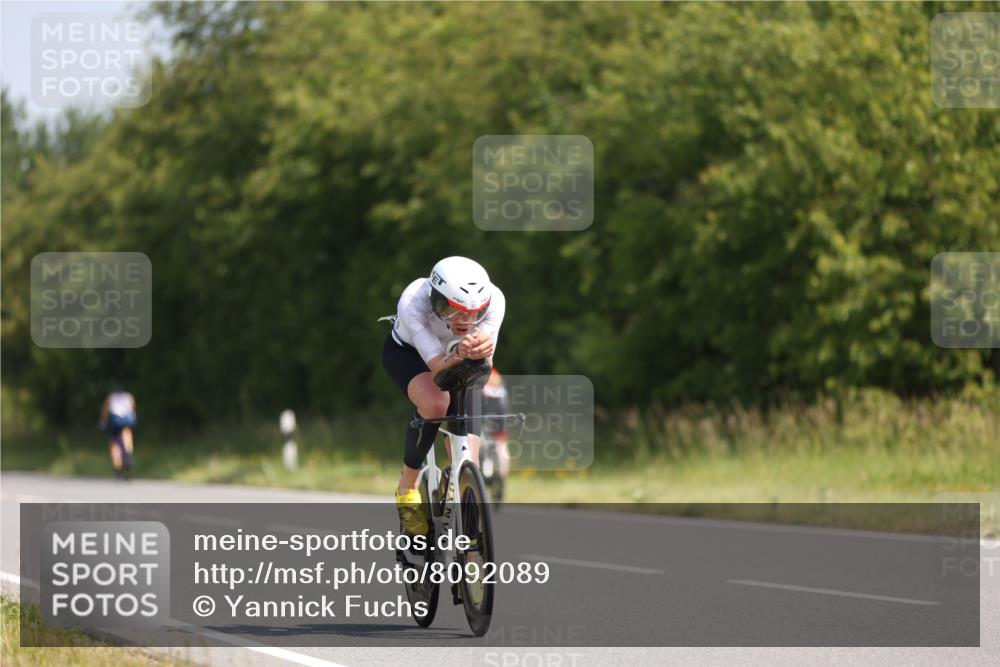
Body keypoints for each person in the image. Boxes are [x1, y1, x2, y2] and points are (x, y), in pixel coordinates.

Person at [381, 256, 505, 535]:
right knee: (437, 403)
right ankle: (408, 486)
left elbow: (481, 369)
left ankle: (463, 500)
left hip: (460, 356)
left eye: (475, 313)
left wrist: (479, 354)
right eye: (456, 311)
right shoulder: (414, 301)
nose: (467, 321)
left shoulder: (495, 300)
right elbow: (438, 368)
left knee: (469, 460)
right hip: (411, 354)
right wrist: (461, 351)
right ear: (436, 300)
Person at [479, 368, 512, 500]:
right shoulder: (494, 376)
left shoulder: (490, 377)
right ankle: (499, 479)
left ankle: (501, 480)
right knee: (486, 446)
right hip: (488, 415)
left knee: (501, 448)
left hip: (496, 416)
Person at [99, 387, 137, 478]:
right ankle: (128, 453)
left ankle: (118, 467)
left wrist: (102, 422)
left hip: (115, 420)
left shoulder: (111, 397)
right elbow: (133, 409)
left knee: (114, 443)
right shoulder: (129, 396)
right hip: (128, 419)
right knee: (127, 432)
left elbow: (105, 411)